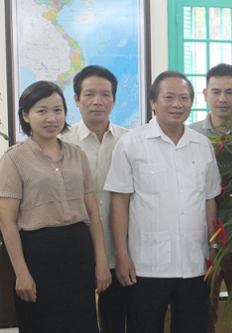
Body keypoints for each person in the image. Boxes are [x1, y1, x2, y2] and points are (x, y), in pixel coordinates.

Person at [104, 71, 221, 333]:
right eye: (168, 97)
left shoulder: (202, 145)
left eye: (184, 98)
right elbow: (119, 202)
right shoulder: (130, 144)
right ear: (153, 102)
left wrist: (213, 252)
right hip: (146, 265)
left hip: (195, 264)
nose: (177, 104)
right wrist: (121, 256)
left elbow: (209, 201)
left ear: (192, 102)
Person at [0, 81, 111, 332]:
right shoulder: (13, 159)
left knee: (81, 323)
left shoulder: (77, 155)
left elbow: (92, 212)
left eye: (57, 110)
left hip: (78, 251)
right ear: (25, 115)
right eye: (41, 111)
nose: (51, 118)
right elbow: (7, 222)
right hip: (37, 255)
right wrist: (21, 273)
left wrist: (101, 260)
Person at [187, 63, 232, 333]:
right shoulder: (190, 135)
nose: (223, 99)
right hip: (202, 243)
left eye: (230, 92)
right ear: (205, 94)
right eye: (216, 91)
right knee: (203, 317)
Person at [60, 65, 129, 333]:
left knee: (115, 323)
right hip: (74, 251)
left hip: (120, 252)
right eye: (89, 94)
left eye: (105, 94)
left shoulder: (129, 141)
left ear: (113, 100)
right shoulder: (61, 142)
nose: (97, 101)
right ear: (76, 99)